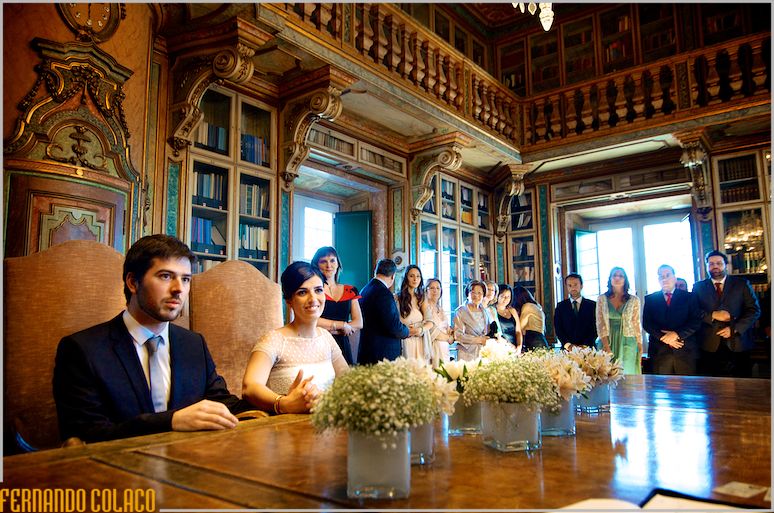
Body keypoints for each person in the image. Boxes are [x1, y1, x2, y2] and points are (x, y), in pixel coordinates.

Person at [53, 235, 252, 443]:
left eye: (185, 279)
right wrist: (170, 421)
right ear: (133, 282)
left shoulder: (194, 344)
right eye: (166, 276)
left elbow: (223, 404)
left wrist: (274, 402)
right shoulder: (82, 349)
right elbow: (86, 433)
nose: (179, 289)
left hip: (192, 460)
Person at [243, 262, 348, 414]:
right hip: (286, 425)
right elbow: (249, 387)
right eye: (302, 292)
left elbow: (347, 379)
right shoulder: (274, 340)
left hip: (327, 421)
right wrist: (283, 403)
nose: (313, 299)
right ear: (289, 301)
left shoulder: (326, 337)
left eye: (318, 290)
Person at [693, 250, 761, 377]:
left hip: (738, 343)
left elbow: (754, 310)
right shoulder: (698, 287)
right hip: (709, 345)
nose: (715, 266)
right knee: (713, 386)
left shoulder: (741, 284)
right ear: (707, 266)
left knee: (742, 383)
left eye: (719, 263)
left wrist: (735, 329)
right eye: (711, 264)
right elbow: (694, 312)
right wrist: (712, 315)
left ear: (726, 265)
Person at [642, 264, 702, 375]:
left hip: (685, 351)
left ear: (674, 278)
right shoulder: (650, 299)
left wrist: (676, 335)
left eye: (667, 275)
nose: (664, 279)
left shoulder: (689, 297)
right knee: (661, 386)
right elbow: (647, 324)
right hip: (660, 352)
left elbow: (696, 321)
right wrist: (665, 338)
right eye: (661, 276)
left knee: (688, 385)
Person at [358, 259, 417, 364]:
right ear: (393, 276)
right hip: (382, 354)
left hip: (367, 350)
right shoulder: (384, 293)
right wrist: (407, 331)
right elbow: (393, 326)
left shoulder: (365, 290)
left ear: (376, 272)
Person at [311, 246, 363, 365]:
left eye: (332, 260)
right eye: (323, 261)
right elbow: (312, 320)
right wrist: (342, 325)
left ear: (338, 263)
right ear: (316, 265)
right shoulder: (313, 289)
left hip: (343, 345)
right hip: (319, 344)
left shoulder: (350, 290)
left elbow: (359, 322)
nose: (328, 265)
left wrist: (334, 330)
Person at [596, 267, 643, 375]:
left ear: (625, 279)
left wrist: (640, 345)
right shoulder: (602, 299)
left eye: (621, 276)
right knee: (607, 374)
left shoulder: (634, 300)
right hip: (607, 339)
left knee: (627, 374)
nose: (617, 278)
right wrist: (606, 346)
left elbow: (636, 323)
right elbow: (600, 323)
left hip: (628, 340)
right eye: (614, 275)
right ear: (610, 279)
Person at [397, 265, 434, 362]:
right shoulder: (397, 298)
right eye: (411, 276)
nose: (415, 279)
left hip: (420, 339)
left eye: (418, 276)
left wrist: (420, 330)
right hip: (405, 340)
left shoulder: (421, 298)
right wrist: (407, 330)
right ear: (405, 278)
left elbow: (430, 321)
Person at [553, 273, 598, 349]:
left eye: (575, 285)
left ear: (581, 286)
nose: (573, 288)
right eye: (569, 285)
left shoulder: (592, 305)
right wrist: (568, 345)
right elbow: (558, 328)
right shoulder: (561, 306)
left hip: (588, 348)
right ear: (566, 287)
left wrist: (585, 345)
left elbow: (596, 327)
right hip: (567, 349)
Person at [453, 280, 493, 361]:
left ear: (483, 295)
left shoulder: (486, 312)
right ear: (468, 294)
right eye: (473, 292)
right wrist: (479, 340)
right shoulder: (460, 311)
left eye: (479, 293)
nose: (476, 295)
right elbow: (458, 335)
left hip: (483, 352)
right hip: (466, 353)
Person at [512, 286, 549, 351]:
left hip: (535, 341)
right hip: (538, 339)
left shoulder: (527, 306)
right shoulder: (536, 306)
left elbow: (520, 327)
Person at [425, 278, 452, 367]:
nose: (435, 291)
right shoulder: (426, 308)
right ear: (426, 291)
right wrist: (447, 337)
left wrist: (451, 334)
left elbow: (448, 328)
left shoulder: (440, 308)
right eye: (432, 288)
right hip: (434, 348)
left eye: (438, 288)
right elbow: (430, 330)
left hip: (445, 348)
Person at [495, 284, 523, 351]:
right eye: (503, 296)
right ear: (497, 296)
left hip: (515, 347)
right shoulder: (492, 310)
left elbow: (518, 331)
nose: (505, 299)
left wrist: (519, 346)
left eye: (508, 297)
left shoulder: (512, 311)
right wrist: (509, 345)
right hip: (500, 346)